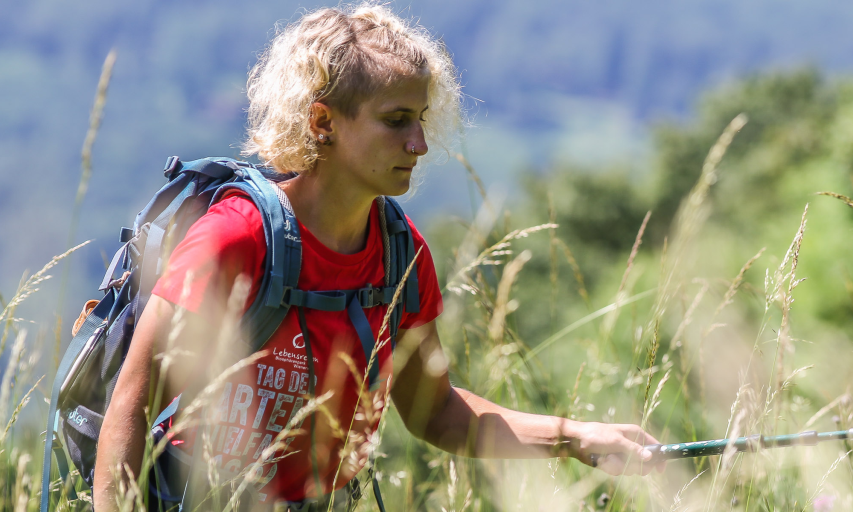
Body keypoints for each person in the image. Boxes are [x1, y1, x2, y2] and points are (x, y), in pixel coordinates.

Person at [93, 4, 663, 511]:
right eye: (396, 121)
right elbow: (132, 401)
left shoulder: (399, 254)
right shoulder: (234, 238)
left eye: (421, 119)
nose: (418, 143)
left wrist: (575, 436)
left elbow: (435, 413)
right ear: (323, 123)